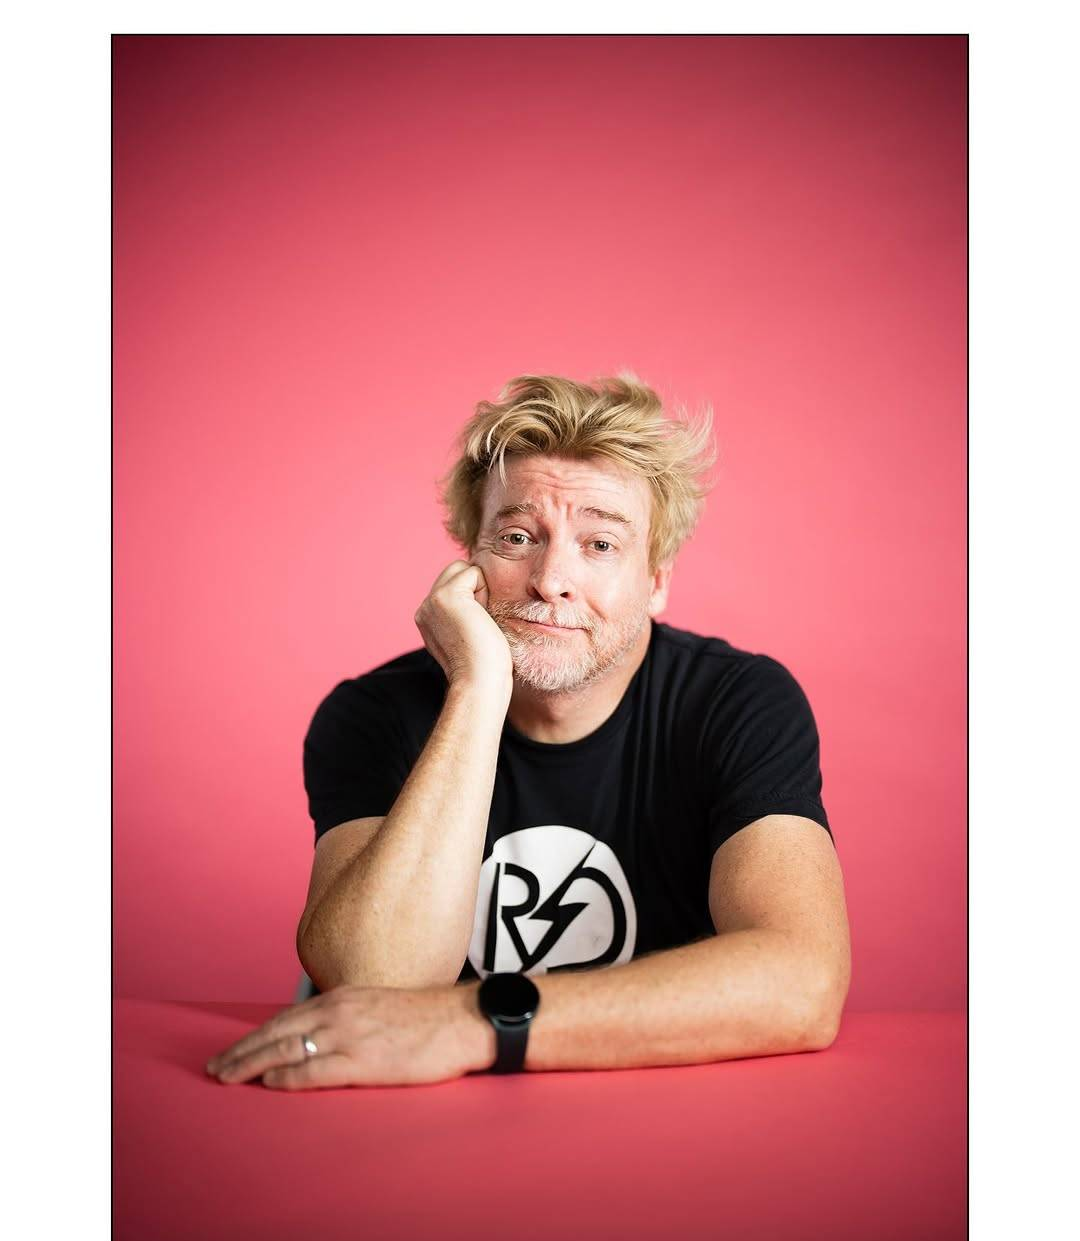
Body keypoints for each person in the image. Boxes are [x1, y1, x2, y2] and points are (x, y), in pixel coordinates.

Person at [206, 372, 851, 1090]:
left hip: (661, 1123)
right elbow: (374, 982)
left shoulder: (737, 702)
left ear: (657, 580)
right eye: (517, 536)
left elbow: (803, 981)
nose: (551, 580)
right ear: (470, 564)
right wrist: (478, 687)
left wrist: (473, 1022)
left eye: (600, 545)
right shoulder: (372, 714)